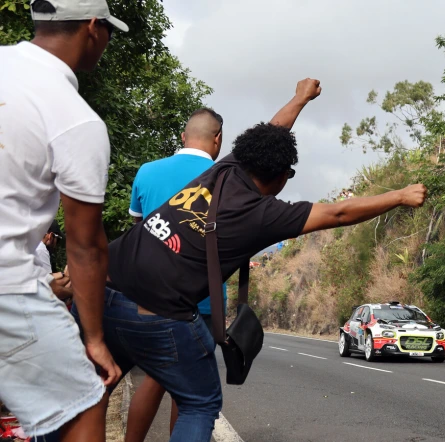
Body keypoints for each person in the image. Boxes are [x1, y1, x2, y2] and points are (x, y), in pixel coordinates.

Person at [72, 122, 427, 442]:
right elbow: (338, 212)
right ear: (280, 177)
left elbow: (272, 129)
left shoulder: (222, 169)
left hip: (98, 293)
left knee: (91, 392)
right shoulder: (265, 214)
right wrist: (399, 196)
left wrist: (300, 98)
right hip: (159, 313)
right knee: (199, 403)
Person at [123, 78, 321, 442]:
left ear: (184, 135)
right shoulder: (227, 173)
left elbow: (140, 229)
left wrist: (299, 97)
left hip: (145, 293)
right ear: (218, 140)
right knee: (190, 390)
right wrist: (301, 98)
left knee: (153, 377)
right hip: (202, 299)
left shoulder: (147, 172)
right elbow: (272, 135)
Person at [0, 0, 127, 440]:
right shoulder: (76, 119)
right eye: (109, 31)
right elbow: (86, 245)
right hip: (8, 289)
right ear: (93, 27)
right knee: (86, 402)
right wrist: (93, 338)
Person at [35, 220, 74, 304]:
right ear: (51, 235)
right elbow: (49, 287)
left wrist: (64, 274)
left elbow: (47, 277)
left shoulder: (34, 244)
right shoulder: (41, 249)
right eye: (57, 239)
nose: (56, 243)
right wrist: (68, 278)